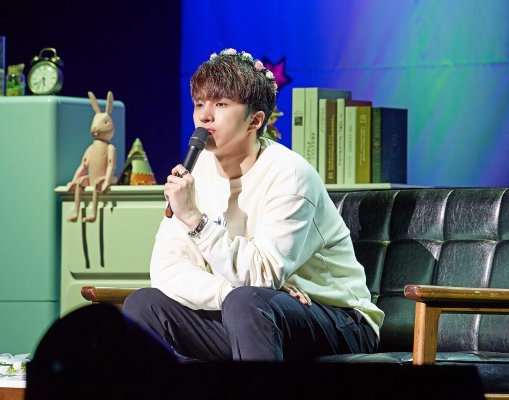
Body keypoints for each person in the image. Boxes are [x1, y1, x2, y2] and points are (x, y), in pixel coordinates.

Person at [123, 48, 384, 361]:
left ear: (255, 120)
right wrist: (227, 291)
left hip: (338, 319)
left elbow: (262, 276)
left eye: (220, 104)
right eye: (199, 104)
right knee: (143, 305)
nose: (204, 116)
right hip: (251, 312)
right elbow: (167, 271)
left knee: (248, 302)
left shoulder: (290, 174)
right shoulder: (198, 170)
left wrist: (194, 218)